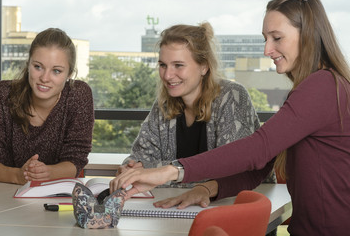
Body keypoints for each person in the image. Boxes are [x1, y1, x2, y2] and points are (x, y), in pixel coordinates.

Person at [111, 0, 350, 236]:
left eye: (277, 38)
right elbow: (259, 167)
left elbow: (258, 148)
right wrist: (205, 189)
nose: (267, 50)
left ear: (307, 34)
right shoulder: (313, 88)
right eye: (266, 39)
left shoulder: (322, 86)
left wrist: (173, 171)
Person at [117, 22, 275, 209]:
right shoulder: (164, 105)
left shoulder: (231, 96)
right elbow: (136, 159)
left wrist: (159, 174)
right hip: (177, 209)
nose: (167, 75)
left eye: (178, 65)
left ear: (204, 67)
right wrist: (132, 170)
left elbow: (232, 171)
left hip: (240, 207)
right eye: (162, 65)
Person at [0, 28, 94, 184]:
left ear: (69, 74)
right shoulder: (2, 94)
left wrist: (46, 173)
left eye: (56, 71)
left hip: (56, 196)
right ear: (28, 64)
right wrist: (19, 175)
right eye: (38, 67)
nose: (44, 78)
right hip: (2, 195)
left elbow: (76, 160)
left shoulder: (78, 95)